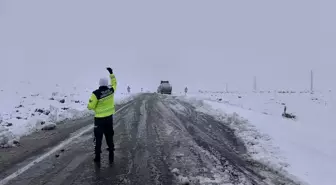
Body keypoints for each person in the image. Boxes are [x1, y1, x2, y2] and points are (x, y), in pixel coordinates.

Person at [87, 67, 117, 163]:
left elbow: (90, 106)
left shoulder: (96, 93)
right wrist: (111, 73)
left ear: (100, 84)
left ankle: (97, 156)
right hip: (109, 118)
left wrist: (91, 105)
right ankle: (111, 150)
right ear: (106, 83)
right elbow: (114, 83)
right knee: (109, 135)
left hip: (99, 120)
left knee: (98, 137)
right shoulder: (111, 91)